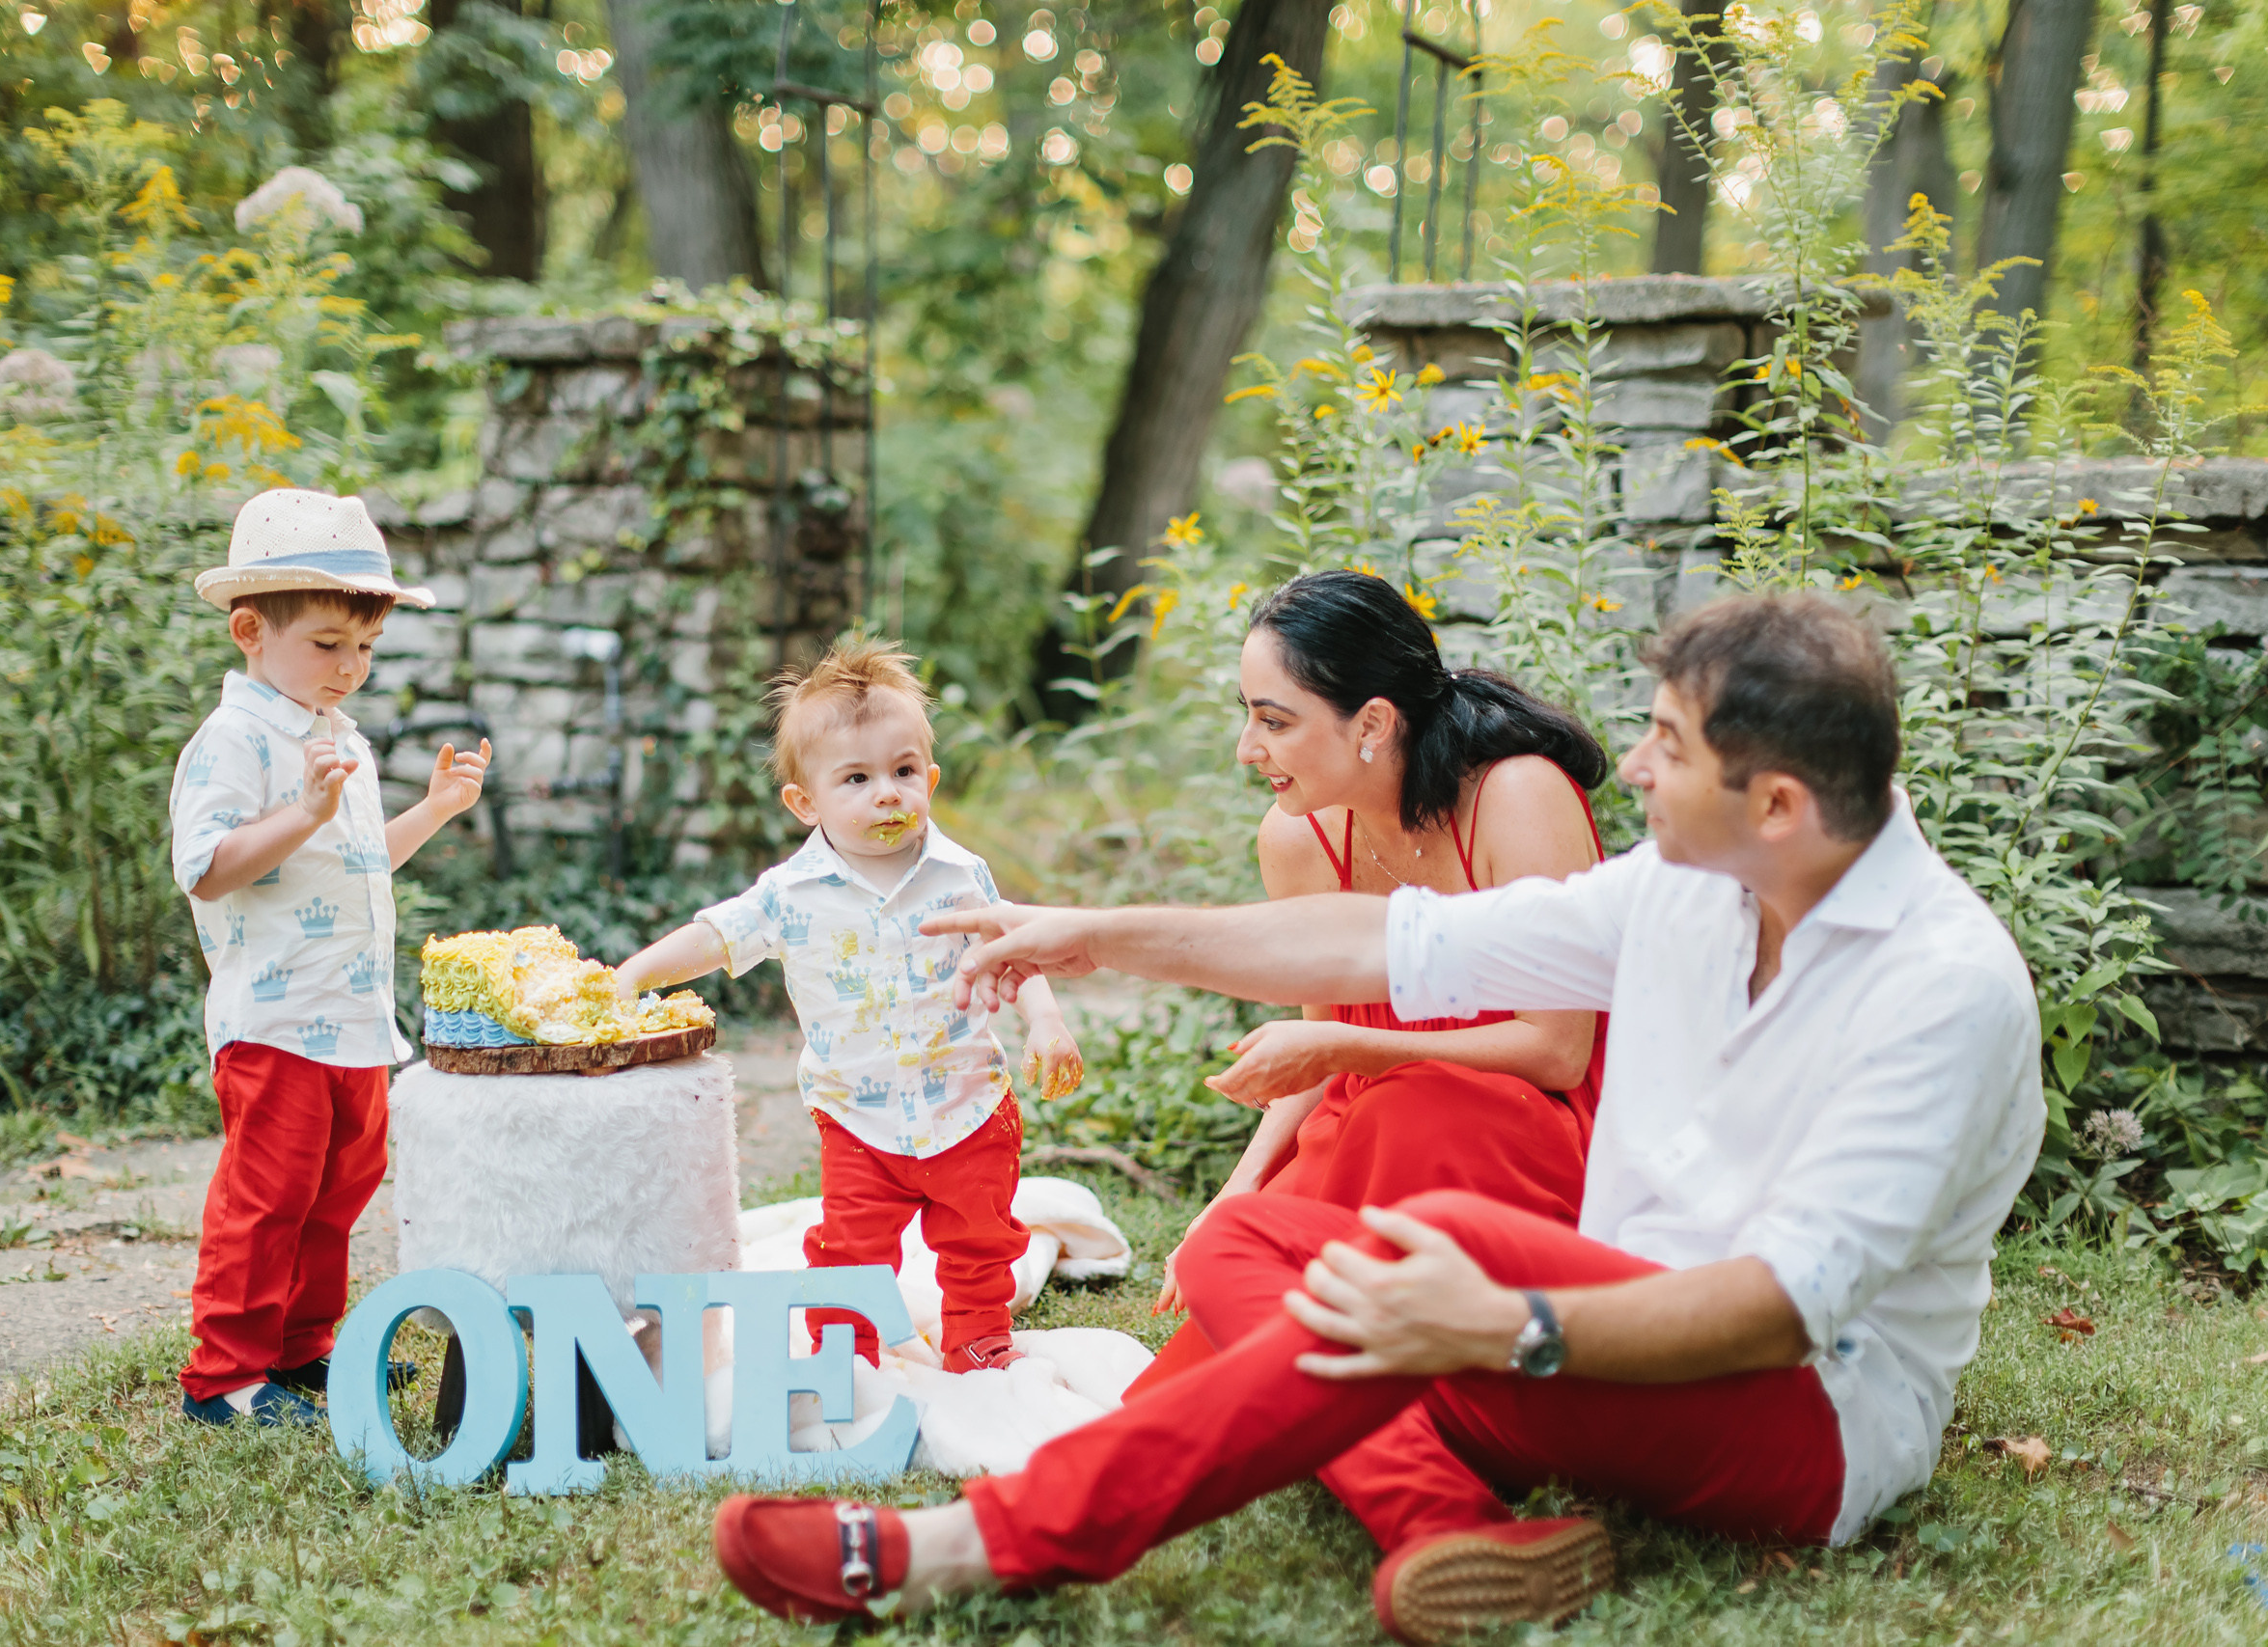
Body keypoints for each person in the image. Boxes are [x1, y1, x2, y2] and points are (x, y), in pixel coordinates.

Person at [707, 593, 2044, 1643]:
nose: (1632, 764)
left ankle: (964, 1547)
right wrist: (1089, 933)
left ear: (1781, 806)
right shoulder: (1689, 889)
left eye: (1670, 746)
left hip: (1806, 1420)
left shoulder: (1939, 989)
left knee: (1444, 1241)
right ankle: (1449, 1519)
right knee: (1247, 1246)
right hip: (1601, 1341)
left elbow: (1777, 1310)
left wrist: (1507, 1323)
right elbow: (1385, 944)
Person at [1141, 569, 1610, 1400]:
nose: (1247, 749)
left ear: (1373, 723)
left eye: (1273, 721)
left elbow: (1559, 1050)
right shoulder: (1296, 839)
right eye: (1248, 715)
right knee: (1232, 1281)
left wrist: (1344, 1046)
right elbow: (1316, 1059)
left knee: (1406, 1111)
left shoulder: (1518, 796)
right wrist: (1236, 1188)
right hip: (1366, 1134)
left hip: (1530, 1133)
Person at [614, 638, 1085, 1373]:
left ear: (929, 777)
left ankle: (978, 1335)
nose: (887, 793)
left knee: (981, 1235)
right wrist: (634, 974)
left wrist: (1046, 1020)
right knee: (849, 1251)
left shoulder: (960, 875)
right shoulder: (788, 894)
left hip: (967, 1104)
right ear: (806, 802)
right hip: (857, 1117)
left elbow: (1012, 951)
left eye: (904, 771)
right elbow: (716, 936)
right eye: (857, 778)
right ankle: (845, 1354)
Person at [172, 488, 492, 1427]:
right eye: (327, 644)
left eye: (366, 647)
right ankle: (225, 1377)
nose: (351, 667)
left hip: (353, 1019)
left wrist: (434, 810)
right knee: (268, 1198)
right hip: (275, 1020)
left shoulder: (333, 734)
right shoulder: (233, 741)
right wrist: (305, 811)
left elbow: (356, 862)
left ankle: (302, 1349)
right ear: (249, 631)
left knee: (335, 1195)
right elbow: (208, 870)